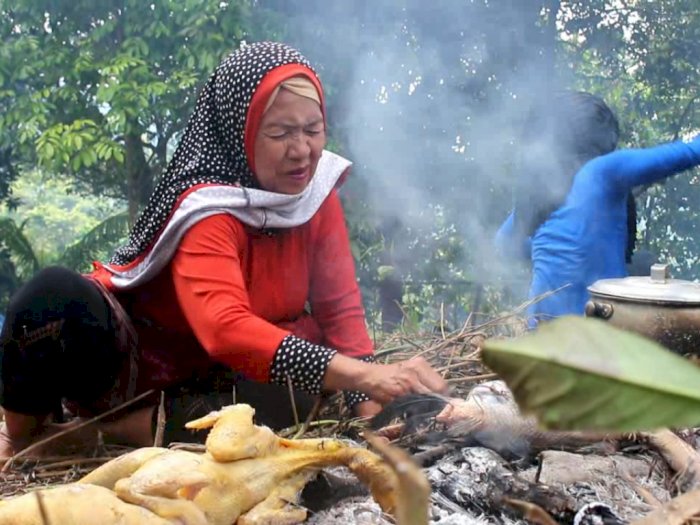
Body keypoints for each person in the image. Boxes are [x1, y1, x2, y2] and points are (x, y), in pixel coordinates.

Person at [0, 42, 447, 460]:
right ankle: (28, 439)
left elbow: (339, 310)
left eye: (313, 130)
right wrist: (364, 375)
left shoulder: (316, 195)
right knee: (51, 298)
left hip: (225, 378)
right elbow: (225, 329)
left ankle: (110, 432)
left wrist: (371, 404)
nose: (303, 150)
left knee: (299, 391)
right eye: (280, 133)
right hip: (137, 366)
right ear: (241, 133)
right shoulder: (210, 208)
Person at [496, 90, 700, 324]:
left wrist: (561, 257)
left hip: (543, 336)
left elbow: (503, 244)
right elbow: (690, 152)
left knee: (640, 262)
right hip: (598, 335)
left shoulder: (541, 190)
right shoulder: (602, 172)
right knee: (644, 266)